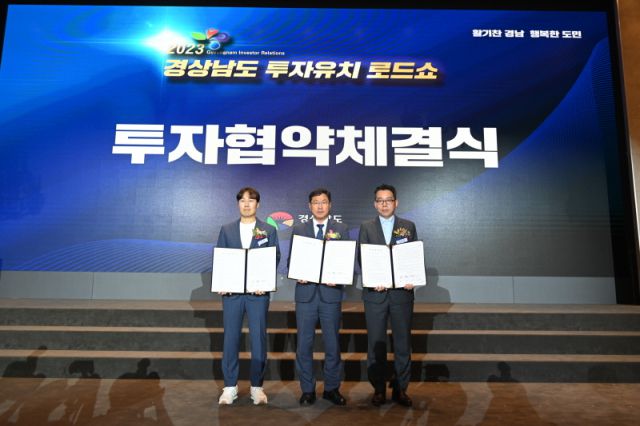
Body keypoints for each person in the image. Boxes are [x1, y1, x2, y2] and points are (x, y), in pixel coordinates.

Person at [216, 187, 280, 405]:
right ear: (238, 204)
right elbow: (222, 257)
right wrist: (223, 282)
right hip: (232, 293)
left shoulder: (268, 230)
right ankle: (229, 387)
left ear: (257, 204)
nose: (246, 204)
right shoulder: (227, 229)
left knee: (258, 338)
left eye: (251, 200)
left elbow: (274, 257)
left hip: (257, 293)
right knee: (230, 338)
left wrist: (265, 282)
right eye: (242, 200)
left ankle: (257, 387)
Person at [289, 188, 349, 406]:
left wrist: (339, 276)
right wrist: (297, 272)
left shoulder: (341, 229)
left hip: (330, 295)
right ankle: (307, 390)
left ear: (330, 205)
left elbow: (346, 260)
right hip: (306, 295)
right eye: (316, 202)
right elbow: (291, 260)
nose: (320, 206)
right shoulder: (299, 229)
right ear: (309, 206)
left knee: (332, 345)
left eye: (324, 202)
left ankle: (332, 388)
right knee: (304, 345)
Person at [358, 184, 417, 407]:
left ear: (396, 202)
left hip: (402, 294)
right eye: (380, 200)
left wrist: (411, 277)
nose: (384, 204)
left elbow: (413, 256)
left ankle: (401, 389)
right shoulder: (366, 227)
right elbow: (362, 257)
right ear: (375, 204)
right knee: (376, 344)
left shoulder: (408, 226)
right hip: (375, 294)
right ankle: (379, 389)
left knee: (402, 344)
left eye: (388, 200)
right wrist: (373, 279)